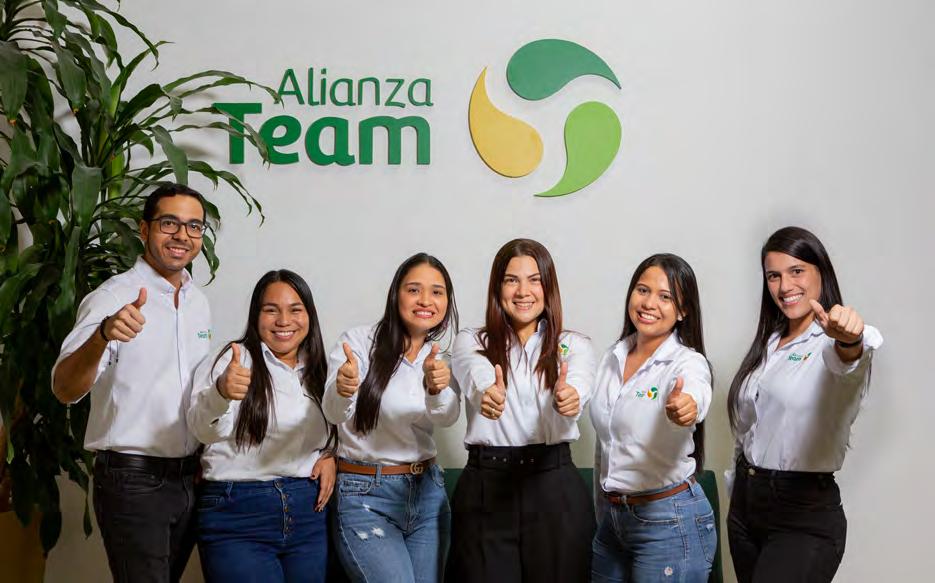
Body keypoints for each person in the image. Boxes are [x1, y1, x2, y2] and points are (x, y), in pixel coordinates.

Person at [52, 183, 211, 583]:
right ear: (144, 229)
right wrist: (103, 334)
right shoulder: (113, 296)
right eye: (169, 223)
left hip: (189, 479)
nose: (182, 235)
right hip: (133, 480)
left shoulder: (198, 302)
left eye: (194, 226)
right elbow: (64, 388)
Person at [726, 226, 883, 583]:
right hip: (746, 509)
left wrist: (850, 340)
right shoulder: (769, 342)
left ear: (821, 273)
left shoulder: (831, 342)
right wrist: (739, 492)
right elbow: (749, 428)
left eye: (796, 271)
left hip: (801, 513)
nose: (784, 286)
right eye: (774, 276)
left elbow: (850, 360)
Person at [446, 238, 596, 583]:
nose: (523, 291)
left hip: (554, 484)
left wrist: (570, 397)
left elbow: (580, 382)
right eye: (511, 280)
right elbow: (475, 373)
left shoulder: (574, 345)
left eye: (534, 280)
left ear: (548, 287)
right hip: (486, 487)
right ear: (497, 288)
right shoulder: (471, 340)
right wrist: (487, 392)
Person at [187, 269, 337, 582]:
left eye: (295, 310)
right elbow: (202, 429)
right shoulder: (232, 360)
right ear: (256, 315)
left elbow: (334, 426)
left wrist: (330, 455)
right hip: (238, 512)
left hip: (308, 513)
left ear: (309, 316)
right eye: (271, 310)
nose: (284, 321)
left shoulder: (320, 370)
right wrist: (221, 393)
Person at [323, 253, 459, 583]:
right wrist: (343, 388)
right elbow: (333, 412)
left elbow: (447, 417)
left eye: (437, 292)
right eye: (414, 290)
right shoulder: (358, 342)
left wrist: (436, 387)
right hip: (365, 494)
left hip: (427, 493)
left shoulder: (440, 358)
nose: (425, 300)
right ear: (396, 294)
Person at [590, 253, 716, 582]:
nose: (649, 303)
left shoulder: (687, 363)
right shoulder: (613, 356)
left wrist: (687, 406)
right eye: (643, 290)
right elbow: (607, 446)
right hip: (614, 520)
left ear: (683, 310)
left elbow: (696, 392)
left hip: (668, 521)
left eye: (665, 297)